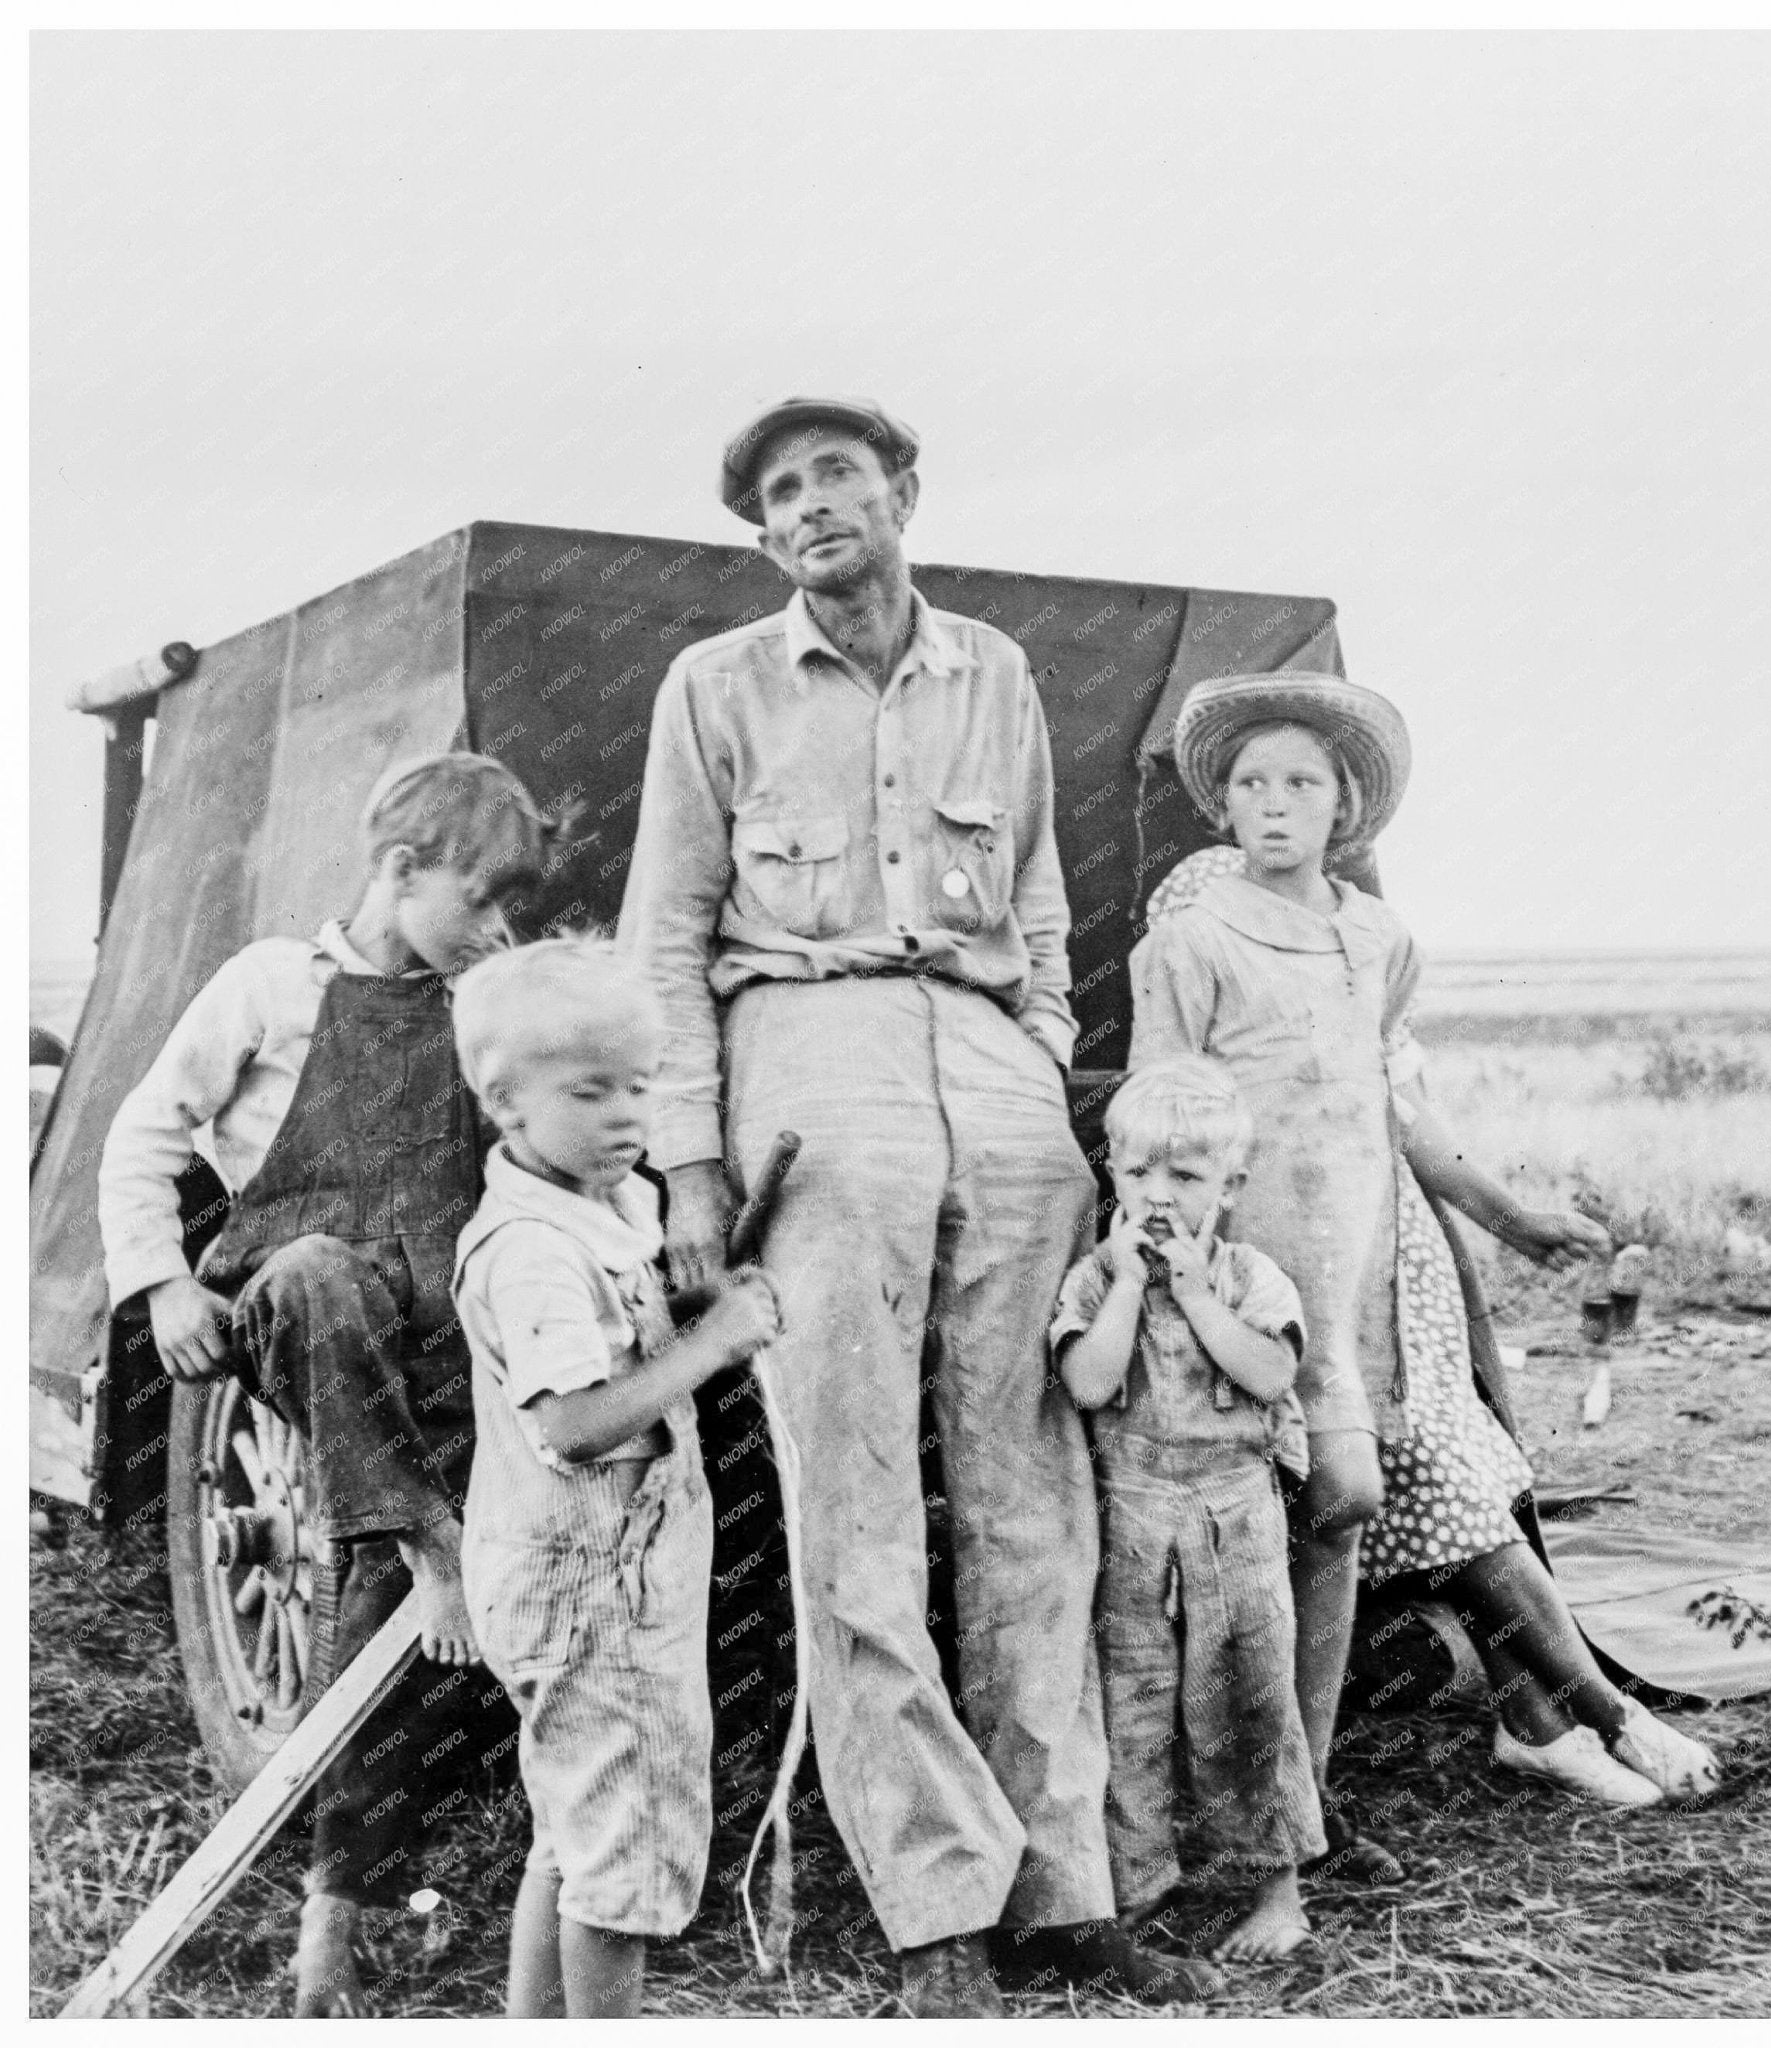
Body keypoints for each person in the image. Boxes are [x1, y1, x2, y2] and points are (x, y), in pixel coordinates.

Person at [616, 396, 1218, 2016]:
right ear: (762, 535)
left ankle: (1061, 1877)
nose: (810, 507)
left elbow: (1033, 889)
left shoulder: (993, 671)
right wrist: (687, 1158)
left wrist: (1035, 1052)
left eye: (835, 476)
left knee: (1036, 1493)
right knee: (855, 1494)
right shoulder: (715, 687)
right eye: (779, 494)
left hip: (992, 1073)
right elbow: (663, 934)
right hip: (810, 1062)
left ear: (902, 492)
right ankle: (933, 1890)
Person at [1131, 672, 1722, 1811]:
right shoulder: (1194, 917)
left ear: (1343, 803)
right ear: (1220, 802)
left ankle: (1562, 1719)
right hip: (1269, 1259)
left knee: (1427, 1490)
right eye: (1251, 781)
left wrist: (1509, 1216)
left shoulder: (1378, 938)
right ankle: (1558, 1723)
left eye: (1301, 781)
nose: (1273, 802)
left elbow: (1397, 1107)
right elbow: (1175, 1108)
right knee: (1330, 1498)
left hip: (1385, 1269)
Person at [97, 752, 563, 2013]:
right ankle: (426, 1531)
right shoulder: (268, 983)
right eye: (478, 901)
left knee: (374, 1591)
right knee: (320, 1270)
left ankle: (337, 1905)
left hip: (430, 1348)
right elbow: (143, 1131)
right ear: (399, 871)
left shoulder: (475, 1004)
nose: (495, 930)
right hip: (289, 1311)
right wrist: (161, 1285)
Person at [449, 939, 780, 2017]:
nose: (628, 1113)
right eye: (590, 1090)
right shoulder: (535, 1246)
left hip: (588, 1574)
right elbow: (578, 1421)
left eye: (640, 1084)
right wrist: (714, 1342)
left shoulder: (597, 1204)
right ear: (504, 1101)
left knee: (574, 1830)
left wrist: (682, 1314)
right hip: (593, 1587)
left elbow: (606, 1347)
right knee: (624, 1855)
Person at [1052, 1058, 1329, 1964]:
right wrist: (1132, 1285)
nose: (1158, 1195)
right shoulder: (1096, 1284)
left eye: (1186, 1176)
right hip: (1131, 1516)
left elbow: (1271, 1373)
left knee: (1252, 1695)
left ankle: (1276, 1888)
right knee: (1130, 1701)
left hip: (1234, 1515)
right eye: (1138, 1173)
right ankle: (1136, 1887)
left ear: (1230, 1187)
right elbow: (1089, 1383)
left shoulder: (1252, 1279)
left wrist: (1197, 1295)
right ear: (1113, 1174)